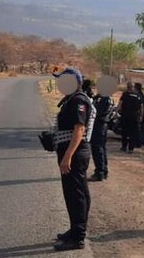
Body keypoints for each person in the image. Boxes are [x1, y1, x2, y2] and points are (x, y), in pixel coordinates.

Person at [51, 67, 95, 251]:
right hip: (74, 151)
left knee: (75, 194)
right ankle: (75, 229)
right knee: (78, 192)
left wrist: (67, 157)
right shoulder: (72, 99)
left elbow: (79, 130)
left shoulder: (78, 100)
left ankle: (78, 237)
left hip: (75, 153)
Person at [83, 80, 112, 181]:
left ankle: (100, 172)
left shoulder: (105, 99)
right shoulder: (101, 97)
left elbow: (96, 112)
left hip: (99, 126)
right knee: (101, 149)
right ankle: (103, 170)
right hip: (100, 126)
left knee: (98, 149)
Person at [118, 81, 143, 153]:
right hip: (134, 116)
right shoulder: (138, 95)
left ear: (127, 87)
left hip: (125, 116)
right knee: (133, 133)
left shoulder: (125, 94)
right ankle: (131, 148)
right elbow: (141, 107)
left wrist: (116, 112)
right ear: (133, 87)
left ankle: (124, 147)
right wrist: (141, 116)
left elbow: (120, 104)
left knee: (124, 132)